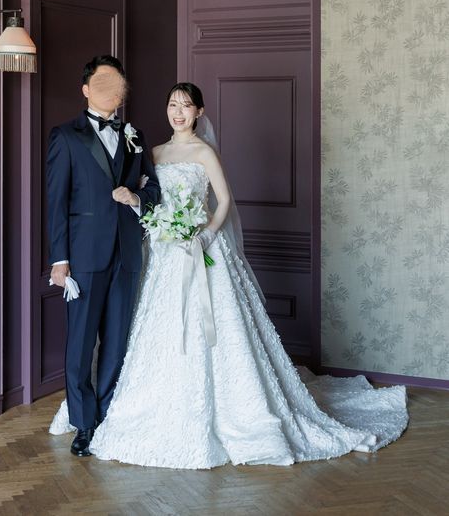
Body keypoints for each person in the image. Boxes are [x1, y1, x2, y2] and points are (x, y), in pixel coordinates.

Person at [50, 82, 408, 469]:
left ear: (199, 112)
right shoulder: (152, 152)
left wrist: (204, 235)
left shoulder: (205, 152)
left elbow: (223, 201)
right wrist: (144, 208)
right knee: (153, 329)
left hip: (202, 248)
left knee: (216, 330)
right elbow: (147, 198)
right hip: (163, 252)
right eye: (172, 105)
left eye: (186, 106)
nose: (178, 112)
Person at [46, 55, 161, 457]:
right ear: (86, 89)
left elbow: (153, 191)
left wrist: (135, 197)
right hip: (83, 256)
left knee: (116, 342)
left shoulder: (135, 136)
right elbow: (56, 203)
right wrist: (60, 260)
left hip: (127, 254)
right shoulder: (66, 136)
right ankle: (83, 424)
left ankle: (108, 415)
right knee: (80, 345)